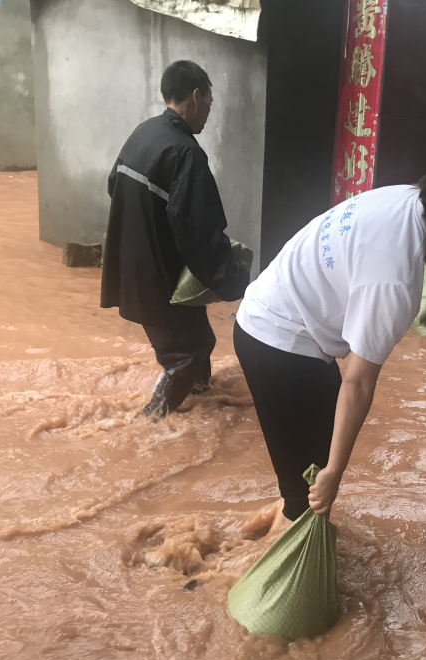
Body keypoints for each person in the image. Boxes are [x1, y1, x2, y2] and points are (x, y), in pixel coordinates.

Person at [235, 148, 426, 531]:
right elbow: (357, 381)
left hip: (267, 316)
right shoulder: (397, 279)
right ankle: (263, 572)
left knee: (307, 468)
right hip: (277, 343)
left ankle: (267, 526)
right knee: (309, 495)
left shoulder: (408, 197)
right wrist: (336, 473)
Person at [101, 60, 249, 419]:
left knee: (194, 341)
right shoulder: (186, 152)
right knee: (191, 350)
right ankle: (149, 423)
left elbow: (112, 185)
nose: (209, 113)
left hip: (129, 265)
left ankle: (199, 405)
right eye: (210, 103)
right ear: (196, 97)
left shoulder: (144, 132)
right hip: (160, 276)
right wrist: (232, 279)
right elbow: (198, 231)